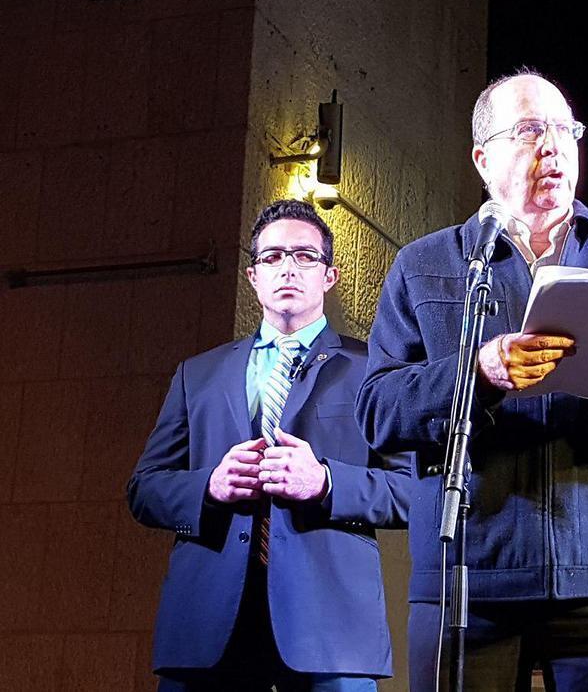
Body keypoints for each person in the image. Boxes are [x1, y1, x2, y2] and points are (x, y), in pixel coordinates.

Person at [355, 72, 588, 691]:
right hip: (468, 578)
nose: (553, 147)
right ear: (483, 157)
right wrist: (478, 372)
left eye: (565, 131)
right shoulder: (426, 265)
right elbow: (376, 412)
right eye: (529, 131)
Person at [128, 199, 412, 691]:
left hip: (331, 630)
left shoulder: (375, 372)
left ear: (330, 276)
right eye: (273, 256)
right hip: (208, 624)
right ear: (253, 275)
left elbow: (412, 492)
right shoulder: (198, 374)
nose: (288, 268)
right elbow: (144, 490)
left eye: (305, 256)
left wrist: (325, 481)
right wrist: (209, 487)